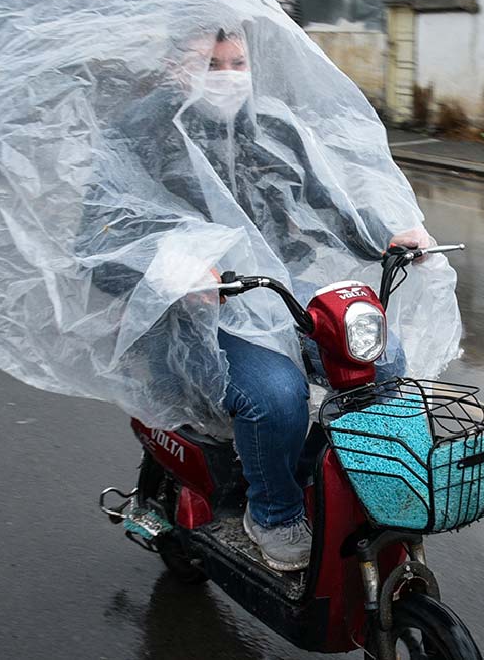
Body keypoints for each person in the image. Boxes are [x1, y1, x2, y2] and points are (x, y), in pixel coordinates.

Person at [79, 28, 432, 571]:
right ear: (176, 65)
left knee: (381, 358)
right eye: (209, 62)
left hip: (276, 290)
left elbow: (329, 203)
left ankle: (315, 475)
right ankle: (271, 511)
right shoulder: (138, 135)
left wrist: (385, 235)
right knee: (275, 393)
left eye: (236, 62)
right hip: (192, 313)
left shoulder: (268, 127)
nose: (226, 75)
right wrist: (175, 268)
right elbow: (96, 243)